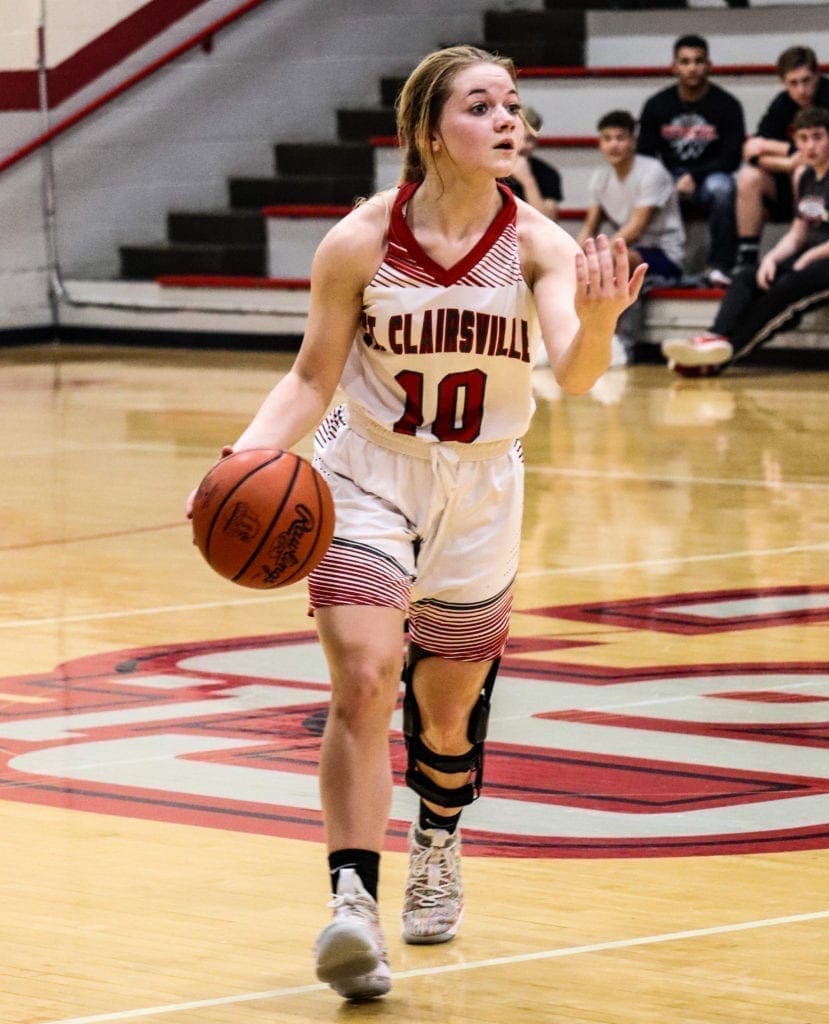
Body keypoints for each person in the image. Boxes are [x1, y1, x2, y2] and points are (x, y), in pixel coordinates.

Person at [186, 45, 645, 1002]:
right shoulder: (358, 241)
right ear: (431, 130)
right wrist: (242, 459)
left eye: (514, 105)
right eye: (483, 105)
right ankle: (352, 903)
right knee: (363, 675)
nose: (508, 119)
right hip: (367, 476)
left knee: (443, 714)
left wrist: (599, 322)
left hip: (481, 490)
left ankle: (438, 835)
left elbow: (573, 373)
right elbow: (312, 378)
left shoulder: (541, 245)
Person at [662, 106, 829, 374]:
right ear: (795, 142)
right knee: (749, 275)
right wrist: (771, 258)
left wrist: (810, 256)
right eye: (804, 138)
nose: (811, 146)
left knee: (788, 288)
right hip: (820, 258)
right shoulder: (805, 175)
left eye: (818, 137)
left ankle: (722, 358)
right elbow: (799, 231)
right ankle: (714, 338)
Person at [734, 45, 829, 273]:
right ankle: (746, 258)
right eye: (793, 83)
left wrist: (768, 146)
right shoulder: (783, 103)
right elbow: (752, 155)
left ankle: (807, 241)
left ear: (817, 75)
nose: (802, 90)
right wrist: (787, 161)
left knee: (804, 170)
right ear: (783, 82)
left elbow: (821, 157)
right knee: (748, 177)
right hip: (804, 187)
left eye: (806, 81)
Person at [637, 33, 745, 286]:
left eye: (698, 61)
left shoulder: (727, 105)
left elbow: (732, 158)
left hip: (709, 177)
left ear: (709, 65)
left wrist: (693, 176)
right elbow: (644, 155)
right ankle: (649, 265)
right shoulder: (656, 105)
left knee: (723, 187)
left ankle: (720, 266)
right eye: (685, 62)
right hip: (668, 177)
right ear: (674, 66)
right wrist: (666, 182)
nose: (692, 68)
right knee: (644, 185)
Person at [577, 109, 684, 362]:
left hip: (664, 256)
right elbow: (589, 227)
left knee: (613, 259)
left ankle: (619, 342)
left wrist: (598, 256)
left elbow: (635, 229)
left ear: (633, 141)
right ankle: (576, 338)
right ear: (600, 143)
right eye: (607, 138)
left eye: (620, 137)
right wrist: (574, 254)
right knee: (576, 263)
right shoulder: (600, 177)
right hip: (624, 252)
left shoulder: (652, 171)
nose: (614, 144)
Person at [503, 106, 563, 221]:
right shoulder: (487, 169)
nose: (524, 145)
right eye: (518, 137)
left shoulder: (547, 174)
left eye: (530, 139)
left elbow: (547, 225)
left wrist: (528, 181)